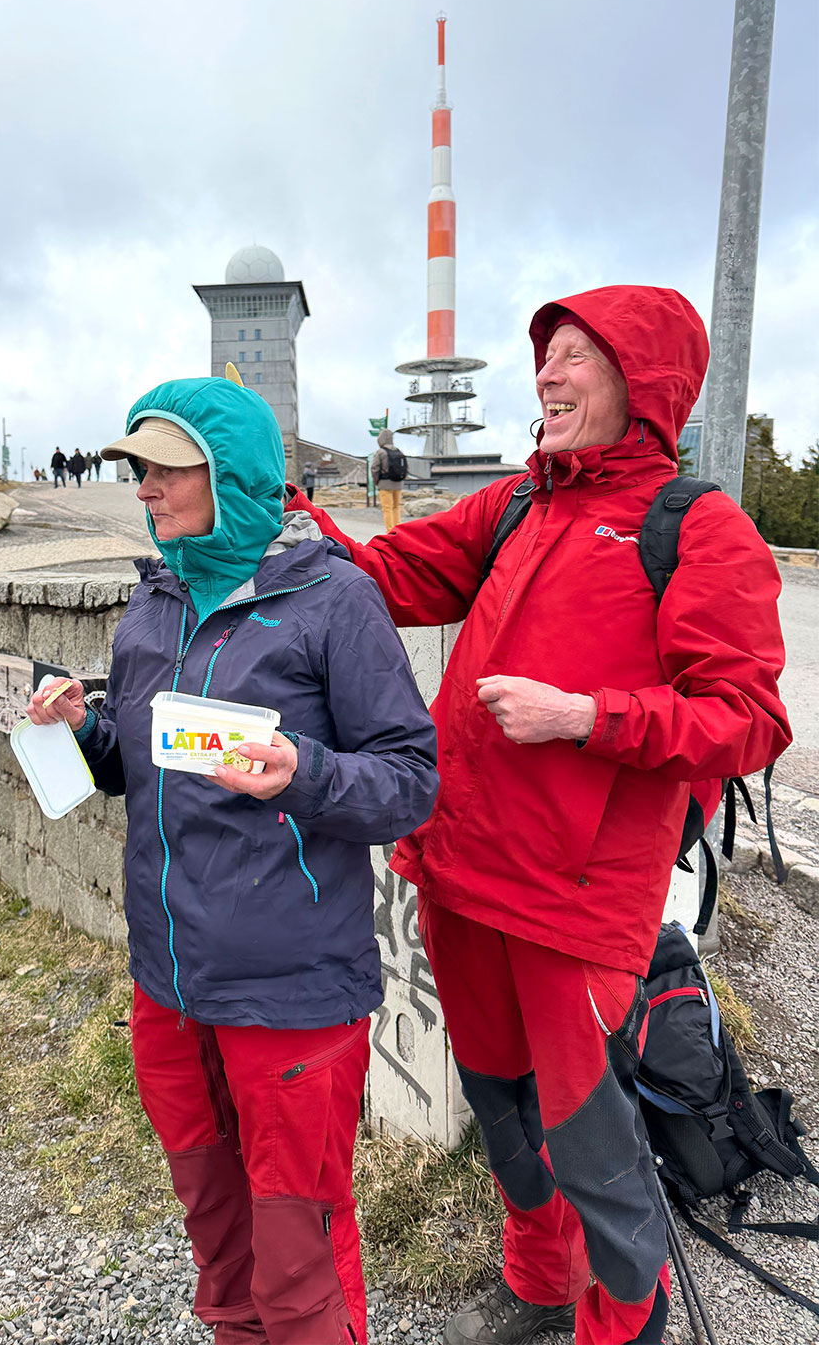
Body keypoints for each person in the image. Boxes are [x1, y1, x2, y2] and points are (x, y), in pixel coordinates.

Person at [284, 286, 791, 1345]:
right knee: (504, 1107)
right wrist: (302, 523)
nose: (546, 376)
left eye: (574, 357)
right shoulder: (519, 504)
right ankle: (536, 1283)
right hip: (462, 866)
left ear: (639, 384)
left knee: (590, 1139)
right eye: (546, 358)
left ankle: (624, 1321)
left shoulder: (697, 528)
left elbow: (746, 719)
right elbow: (393, 574)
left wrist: (584, 717)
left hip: (577, 903)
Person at [27, 374, 438, 1344]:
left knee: (300, 1269)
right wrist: (86, 728)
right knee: (217, 1242)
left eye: (168, 469)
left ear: (235, 477)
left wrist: (304, 773)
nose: (145, 488)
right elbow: (140, 764)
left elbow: (411, 781)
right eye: (139, 469)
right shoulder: (153, 603)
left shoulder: (334, 599)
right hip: (170, 983)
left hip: (291, 992)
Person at [371, 427, 406, 530]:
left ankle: (390, 531)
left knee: (387, 509)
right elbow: (405, 468)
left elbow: (374, 468)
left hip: (385, 484)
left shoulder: (380, 452)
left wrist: (376, 481)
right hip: (398, 484)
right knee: (396, 508)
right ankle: (398, 530)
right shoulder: (399, 451)